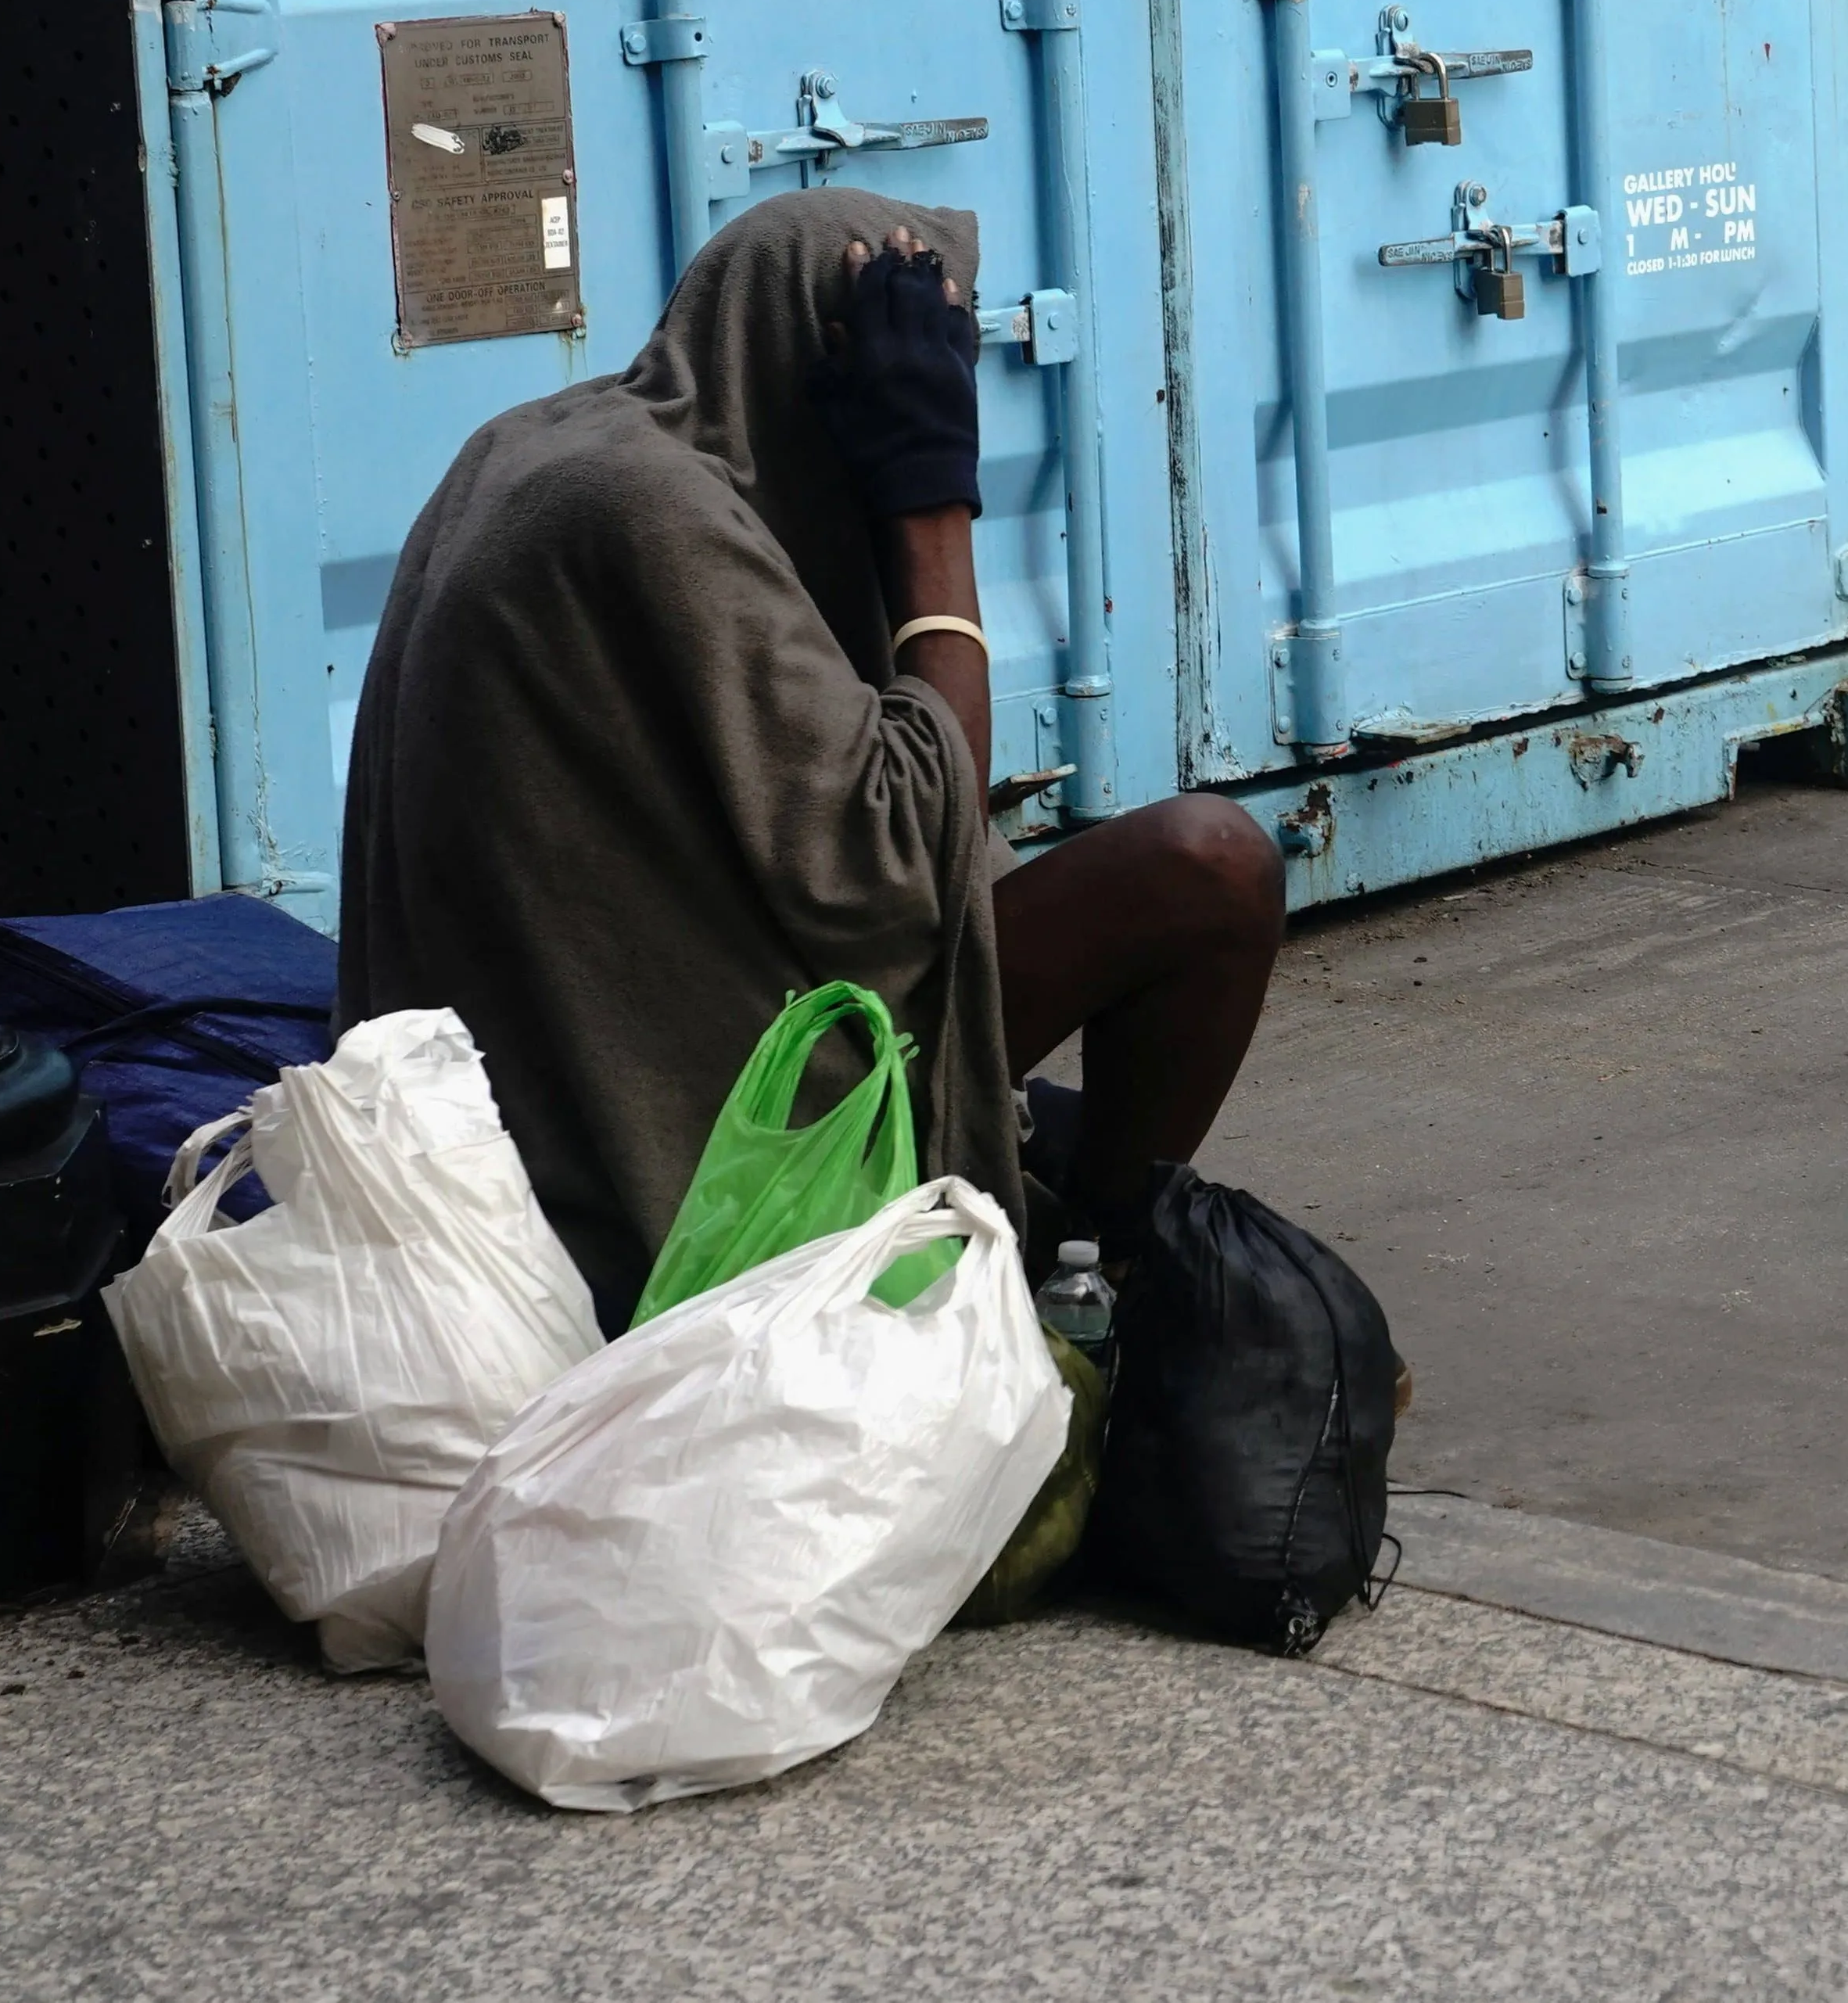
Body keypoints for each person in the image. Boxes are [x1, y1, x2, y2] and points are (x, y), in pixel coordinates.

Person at [339, 188, 1286, 1326]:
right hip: (658, 1132)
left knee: (1104, 1131)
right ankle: (1090, 1289)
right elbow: (903, 861)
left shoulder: (543, 446)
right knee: (1211, 865)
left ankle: (1071, 1242)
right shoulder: (651, 514)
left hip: (559, 1068)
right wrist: (931, 505)